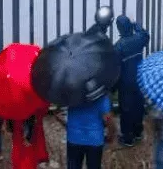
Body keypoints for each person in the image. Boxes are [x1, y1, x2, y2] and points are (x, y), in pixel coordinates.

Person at [113, 15, 150, 147]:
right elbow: (146, 34)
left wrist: (113, 88)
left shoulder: (118, 47)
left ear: (119, 28)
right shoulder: (139, 39)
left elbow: (115, 70)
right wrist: (136, 25)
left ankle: (128, 138)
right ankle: (138, 132)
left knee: (126, 109)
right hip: (139, 78)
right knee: (138, 105)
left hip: (126, 83)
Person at [53, 95, 115, 169]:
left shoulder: (70, 94)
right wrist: (111, 134)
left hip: (74, 138)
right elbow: (108, 119)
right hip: (95, 139)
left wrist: (68, 125)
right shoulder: (101, 95)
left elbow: (57, 114)